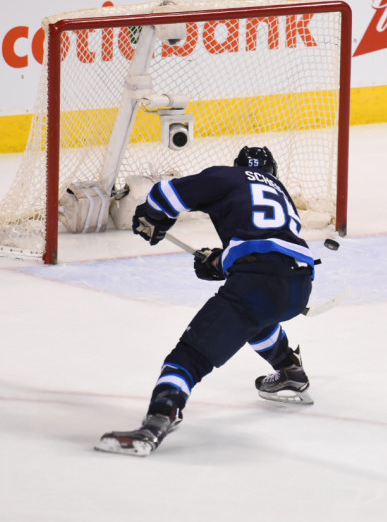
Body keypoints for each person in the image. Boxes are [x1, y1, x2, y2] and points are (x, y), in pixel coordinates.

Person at [96, 146, 316, 456]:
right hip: (300, 282)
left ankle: (158, 420)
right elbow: (267, 246)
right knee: (254, 317)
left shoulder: (229, 177)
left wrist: (153, 217)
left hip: (257, 282)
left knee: (190, 355)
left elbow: (164, 194)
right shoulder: (280, 193)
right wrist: (217, 262)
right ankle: (289, 369)